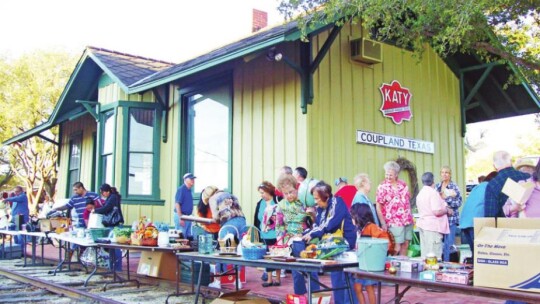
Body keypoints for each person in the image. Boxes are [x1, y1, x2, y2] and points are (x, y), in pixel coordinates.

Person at [303, 181, 356, 304]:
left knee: (345, 278)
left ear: (325, 195)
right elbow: (317, 225)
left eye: (317, 198)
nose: (315, 201)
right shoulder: (321, 208)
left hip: (345, 243)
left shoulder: (338, 203)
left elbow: (330, 223)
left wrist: (312, 233)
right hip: (333, 246)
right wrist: (307, 232)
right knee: (336, 277)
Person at [275, 173, 319, 296]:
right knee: (297, 270)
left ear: (296, 188)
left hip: (308, 238)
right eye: (286, 193)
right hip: (292, 240)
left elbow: (315, 222)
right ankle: (300, 296)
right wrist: (280, 242)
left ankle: (315, 294)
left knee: (312, 267)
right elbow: (279, 225)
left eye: (291, 192)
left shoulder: (304, 202)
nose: (289, 195)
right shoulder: (281, 205)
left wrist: (312, 214)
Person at [350, 203, 393, 304]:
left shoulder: (371, 227)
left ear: (358, 216)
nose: (351, 220)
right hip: (362, 264)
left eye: (352, 217)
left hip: (369, 265)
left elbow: (384, 241)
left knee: (369, 288)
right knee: (357, 287)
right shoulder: (361, 229)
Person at [207, 190, 246, 289]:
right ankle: (237, 281)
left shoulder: (213, 198)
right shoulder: (232, 196)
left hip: (229, 225)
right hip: (242, 221)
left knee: (223, 253)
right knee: (239, 252)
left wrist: (215, 217)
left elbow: (215, 217)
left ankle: (217, 282)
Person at [375, 161, 413, 256]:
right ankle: (392, 266)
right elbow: (378, 206)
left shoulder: (403, 185)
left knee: (405, 244)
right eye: (386, 174)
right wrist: (383, 222)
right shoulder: (382, 187)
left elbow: (407, 201)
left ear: (396, 174)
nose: (388, 177)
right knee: (396, 246)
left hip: (407, 219)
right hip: (393, 221)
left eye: (390, 175)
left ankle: (402, 266)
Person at [460, 171, 497, 259]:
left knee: (475, 252)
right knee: (481, 254)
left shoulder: (478, 187)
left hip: (465, 222)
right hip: (476, 222)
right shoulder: (490, 187)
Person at [485, 151, 530, 218]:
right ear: (511, 162)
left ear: (494, 166)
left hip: (505, 226)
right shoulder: (528, 177)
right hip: (530, 225)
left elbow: (490, 216)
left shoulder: (493, 184)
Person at [254, 181, 283, 287]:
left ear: (268, 191)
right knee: (268, 257)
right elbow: (257, 218)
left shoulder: (277, 201)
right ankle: (270, 279)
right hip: (265, 233)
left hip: (276, 233)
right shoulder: (260, 203)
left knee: (277, 256)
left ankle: (278, 279)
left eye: (262, 193)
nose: (261, 195)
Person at [416, 172, 450, 259]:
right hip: (432, 227)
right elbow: (436, 211)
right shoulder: (433, 193)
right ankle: (434, 272)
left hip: (423, 224)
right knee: (434, 256)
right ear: (433, 181)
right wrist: (446, 210)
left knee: (425, 255)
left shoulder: (420, 193)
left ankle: (426, 272)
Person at [435, 166, 462, 262]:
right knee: (439, 244)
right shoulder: (437, 186)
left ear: (450, 175)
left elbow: (459, 202)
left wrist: (446, 198)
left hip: (451, 219)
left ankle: (448, 265)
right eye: (442, 172)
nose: (444, 174)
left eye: (446, 172)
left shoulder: (454, 186)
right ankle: (441, 264)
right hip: (440, 219)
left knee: (449, 244)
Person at [174, 173, 196, 238]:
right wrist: (181, 218)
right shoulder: (181, 189)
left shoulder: (189, 190)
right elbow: (177, 204)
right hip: (182, 216)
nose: (193, 180)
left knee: (187, 238)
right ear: (185, 180)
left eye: (193, 179)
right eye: (191, 179)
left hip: (188, 217)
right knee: (181, 237)